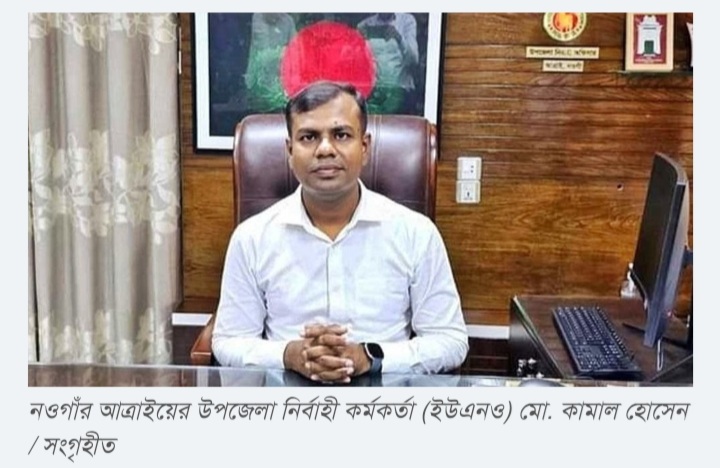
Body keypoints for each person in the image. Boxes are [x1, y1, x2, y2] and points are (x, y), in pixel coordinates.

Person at [212, 80, 468, 383]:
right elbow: (228, 341)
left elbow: (450, 341)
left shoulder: (416, 234)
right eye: (309, 137)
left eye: (341, 135)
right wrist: (290, 355)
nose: (325, 149)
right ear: (290, 150)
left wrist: (370, 357)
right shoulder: (252, 238)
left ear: (365, 147)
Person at [357, 13, 419, 114]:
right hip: (376, 93)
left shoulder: (407, 21)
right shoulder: (364, 25)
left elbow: (414, 60)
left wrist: (399, 38)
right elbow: (358, 66)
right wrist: (358, 42)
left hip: (401, 89)